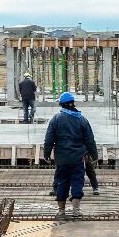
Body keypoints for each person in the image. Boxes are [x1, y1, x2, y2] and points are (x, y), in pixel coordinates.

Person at [42, 91, 97, 219]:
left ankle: (61, 211)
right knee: (77, 181)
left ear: (61, 104)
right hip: (78, 158)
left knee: (62, 182)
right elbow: (90, 140)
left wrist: (46, 154)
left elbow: (49, 139)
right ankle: (76, 209)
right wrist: (94, 155)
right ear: (73, 103)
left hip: (61, 159)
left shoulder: (56, 119)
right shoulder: (82, 119)